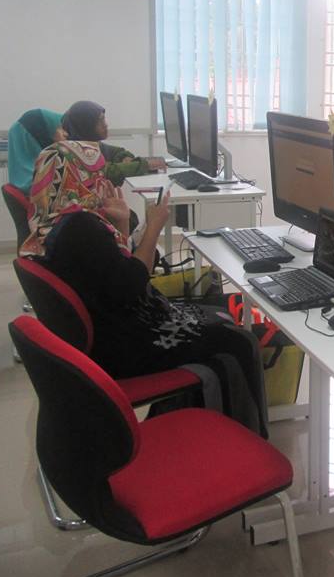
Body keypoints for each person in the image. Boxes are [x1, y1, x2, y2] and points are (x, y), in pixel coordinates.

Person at [20, 139, 268, 437]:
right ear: (77, 177)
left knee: (218, 313)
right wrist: (154, 226)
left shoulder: (48, 223)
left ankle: (194, 415)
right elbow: (134, 282)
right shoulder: (82, 229)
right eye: (95, 174)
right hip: (126, 345)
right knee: (240, 339)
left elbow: (115, 272)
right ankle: (244, 434)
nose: (102, 181)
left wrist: (123, 225)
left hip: (109, 332)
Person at [60, 100, 165, 185]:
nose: (105, 125)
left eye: (104, 119)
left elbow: (116, 152)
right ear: (86, 127)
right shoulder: (75, 152)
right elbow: (110, 172)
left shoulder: (90, 144)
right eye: (100, 121)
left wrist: (124, 158)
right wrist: (146, 164)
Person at [6, 109, 66, 193]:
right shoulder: (50, 182)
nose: (65, 134)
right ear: (41, 135)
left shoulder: (22, 184)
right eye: (61, 129)